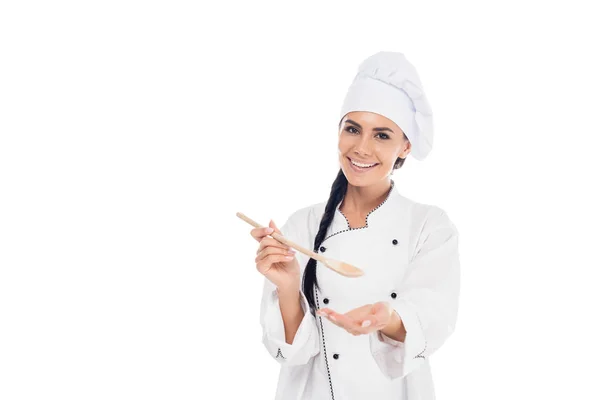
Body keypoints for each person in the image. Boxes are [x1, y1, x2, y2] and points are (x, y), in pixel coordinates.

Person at [249, 51, 461, 400]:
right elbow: (294, 353)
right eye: (352, 129)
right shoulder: (301, 225)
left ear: (405, 146)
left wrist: (388, 320)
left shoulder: (428, 226)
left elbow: (432, 320)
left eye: (381, 135)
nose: (361, 148)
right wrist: (287, 286)